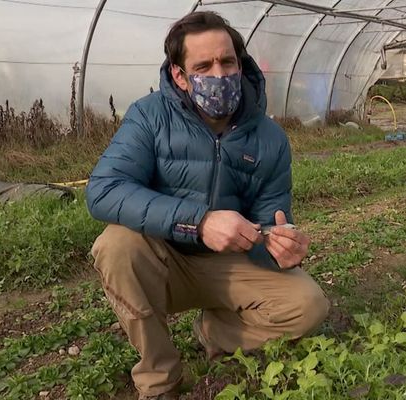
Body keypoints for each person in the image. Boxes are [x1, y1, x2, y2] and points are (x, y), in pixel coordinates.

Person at [85, 11, 329, 400]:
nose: (219, 74)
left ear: (240, 62)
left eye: (227, 61)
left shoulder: (269, 138)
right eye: (203, 65)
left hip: (229, 264)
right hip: (164, 259)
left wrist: (283, 249)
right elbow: (103, 190)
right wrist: (198, 223)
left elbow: (270, 220)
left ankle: (214, 331)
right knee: (117, 245)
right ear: (180, 75)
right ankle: (160, 378)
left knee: (308, 306)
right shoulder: (149, 116)